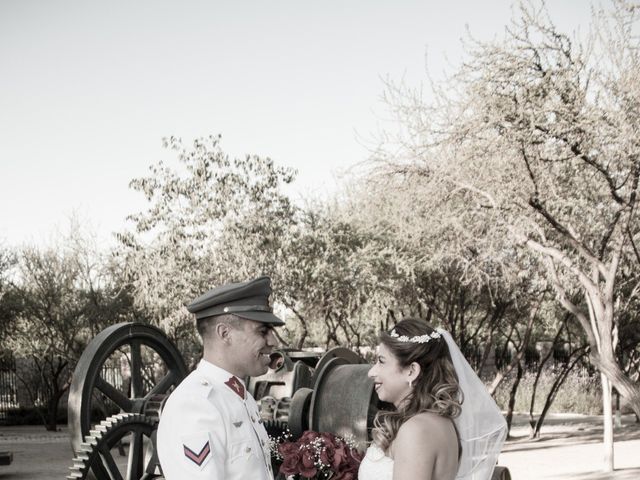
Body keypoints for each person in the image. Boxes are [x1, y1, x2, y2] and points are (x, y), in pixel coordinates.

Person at [157, 276, 284, 480]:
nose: (273, 341)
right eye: (263, 331)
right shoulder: (196, 405)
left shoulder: (240, 397)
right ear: (225, 333)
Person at [358, 318, 507, 480]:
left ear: (411, 371)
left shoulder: (416, 430)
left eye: (381, 361)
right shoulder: (439, 422)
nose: (371, 372)